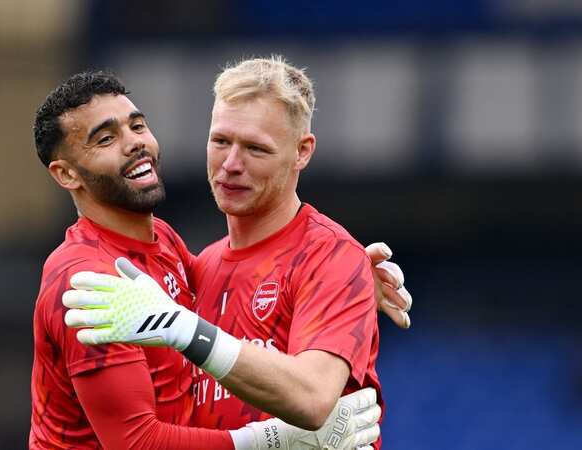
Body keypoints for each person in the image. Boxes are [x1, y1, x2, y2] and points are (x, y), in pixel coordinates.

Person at [62, 57, 409, 450]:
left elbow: (313, 398)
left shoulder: (330, 257)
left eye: (256, 149)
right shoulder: (199, 268)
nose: (230, 165)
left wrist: (186, 330)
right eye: (220, 141)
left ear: (302, 152)